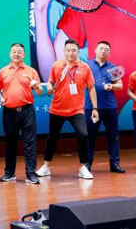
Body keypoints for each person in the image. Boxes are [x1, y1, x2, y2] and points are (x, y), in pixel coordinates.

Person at [36, 39, 99, 179]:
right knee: (52, 138)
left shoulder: (84, 67)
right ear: (64, 51)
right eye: (68, 50)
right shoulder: (57, 66)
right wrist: (50, 86)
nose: (71, 53)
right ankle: (46, 166)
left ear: (78, 52)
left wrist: (95, 108)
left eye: (74, 50)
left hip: (76, 110)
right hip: (57, 109)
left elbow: (91, 88)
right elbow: (50, 81)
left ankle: (83, 167)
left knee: (83, 135)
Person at [0, 43, 43, 185]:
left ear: (24, 54)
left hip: (27, 111)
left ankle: (30, 174)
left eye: (19, 52)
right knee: (10, 143)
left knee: (30, 143)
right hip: (9, 112)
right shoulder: (3, 71)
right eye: (14, 51)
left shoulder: (31, 71)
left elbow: (40, 91)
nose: (16, 54)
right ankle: (9, 173)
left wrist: (36, 86)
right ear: (10, 54)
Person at [85, 41, 124, 173]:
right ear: (95, 50)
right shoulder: (87, 66)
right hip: (91, 107)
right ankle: (87, 165)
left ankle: (115, 164)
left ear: (109, 53)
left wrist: (111, 86)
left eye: (106, 49)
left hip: (109, 107)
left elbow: (120, 85)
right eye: (101, 49)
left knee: (113, 136)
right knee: (89, 136)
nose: (103, 51)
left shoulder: (112, 68)